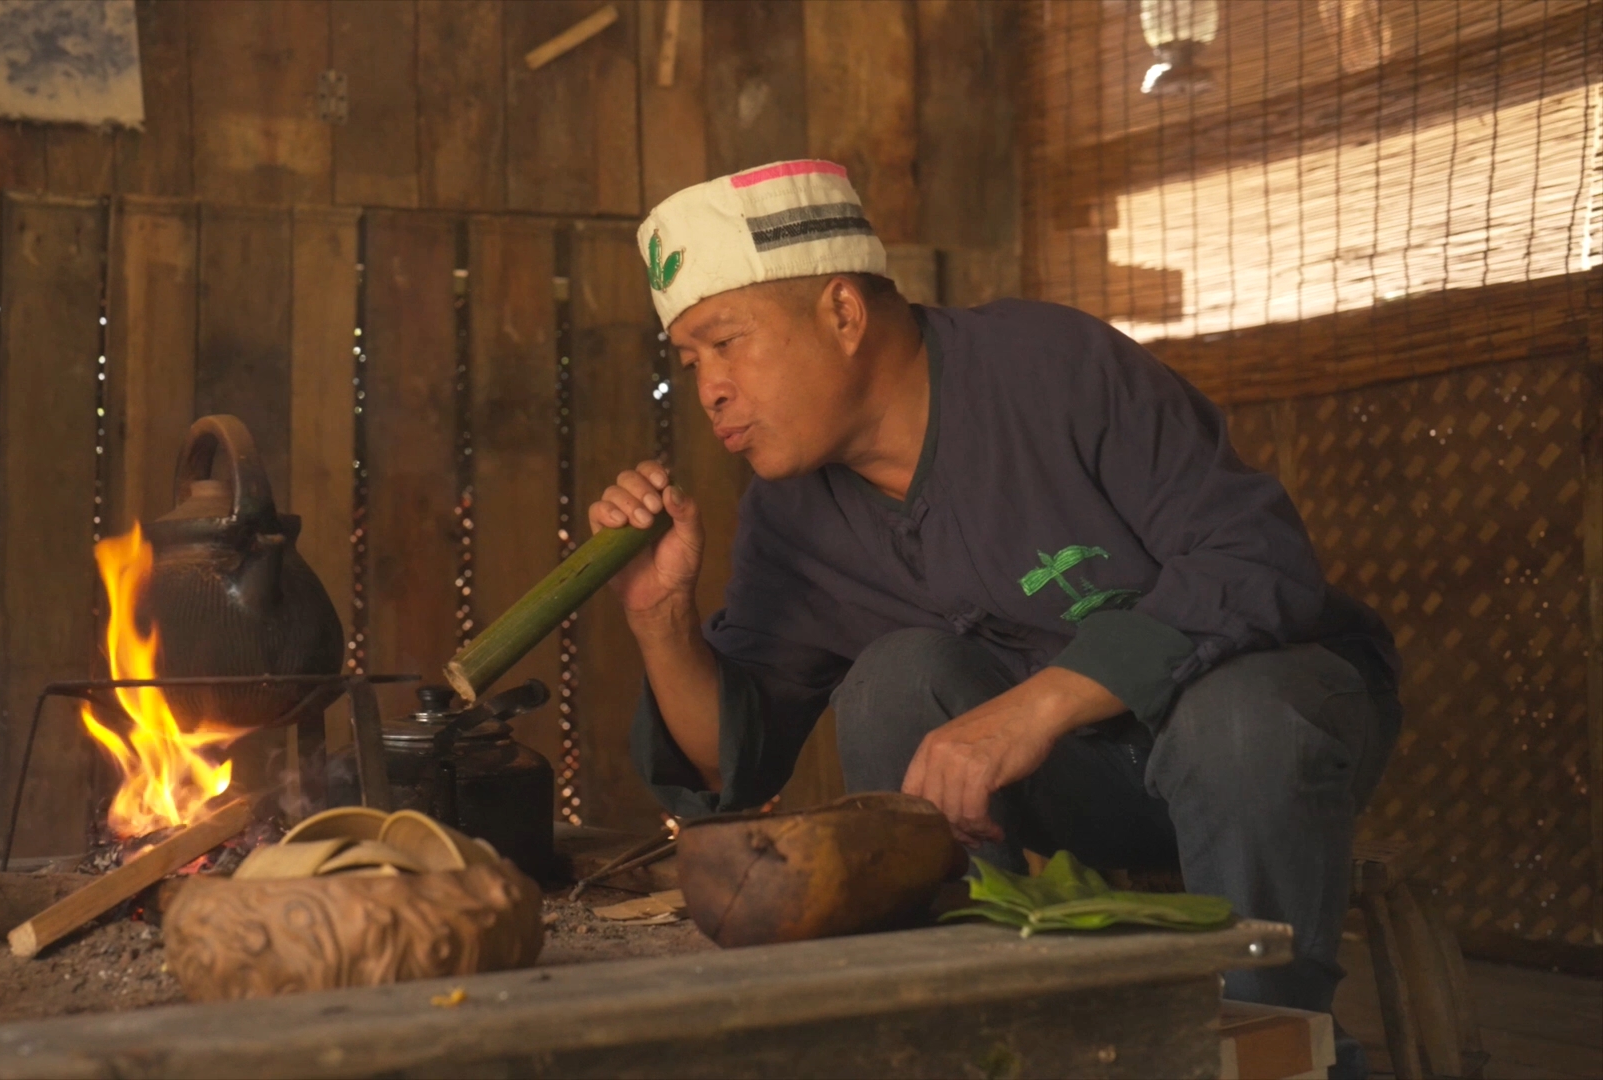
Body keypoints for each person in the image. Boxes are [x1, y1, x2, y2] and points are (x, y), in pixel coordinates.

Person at [589, 159, 1400, 1051]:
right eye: (691, 359)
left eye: (726, 341)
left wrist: (1039, 704)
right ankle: (978, 1032)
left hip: (1268, 754)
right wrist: (659, 615)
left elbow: (1256, 560)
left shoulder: (1049, 367)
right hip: (1079, 792)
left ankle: (1268, 1044)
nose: (709, 387)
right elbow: (728, 766)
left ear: (843, 313)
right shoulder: (794, 513)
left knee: (1239, 714)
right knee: (897, 681)